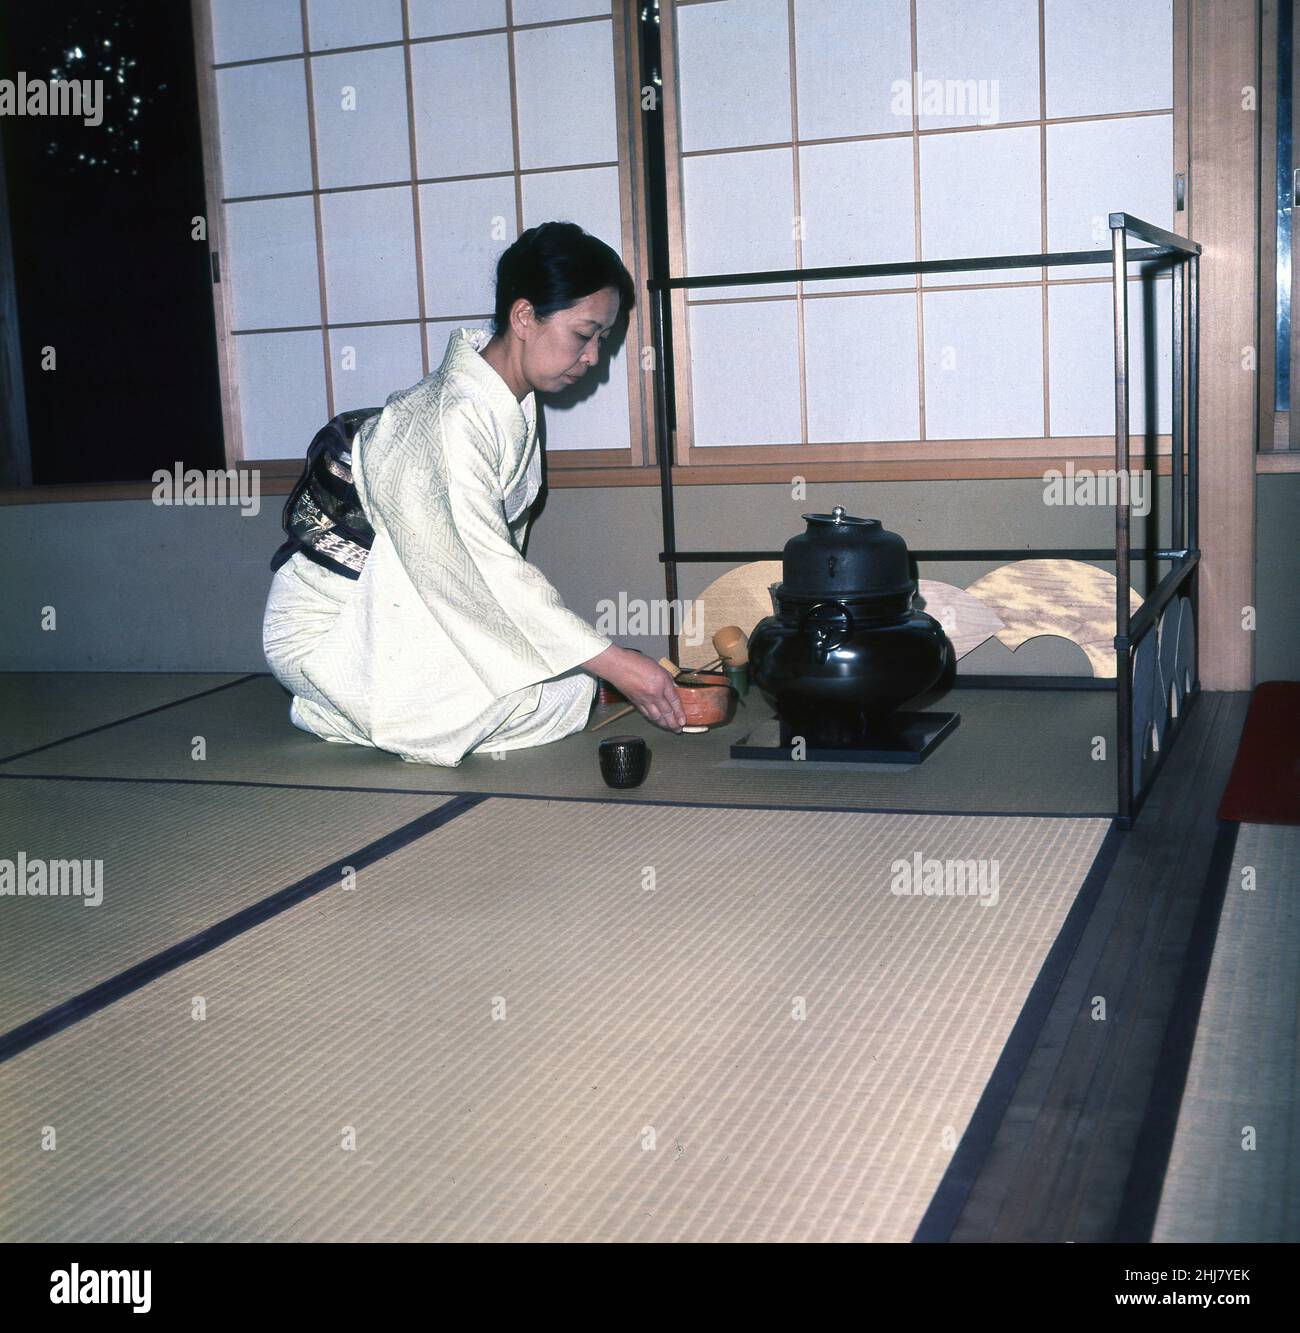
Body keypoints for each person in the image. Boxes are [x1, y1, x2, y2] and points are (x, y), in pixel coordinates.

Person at [261, 221, 685, 766]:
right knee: (544, 694)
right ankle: (334, 700)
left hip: (406, 608)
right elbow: (481, 567)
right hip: (334, 628)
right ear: (525, 316)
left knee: (564, 694)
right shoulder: (448, 417)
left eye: (602, 340)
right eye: (584, 335)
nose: (593, 358)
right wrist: (614, 662)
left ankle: (366, 707)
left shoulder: (509, 404)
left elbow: (483, 568)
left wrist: (590, 661)